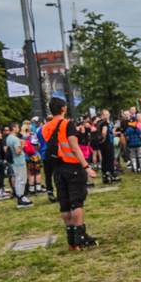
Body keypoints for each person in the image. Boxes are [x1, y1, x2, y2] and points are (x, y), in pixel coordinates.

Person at [41, 97, 99, 248]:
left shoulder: (45, 127)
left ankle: (71, 237)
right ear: (63, 108)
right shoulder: (67, 124)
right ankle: (80, 235)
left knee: (64, 202)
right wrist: (86, 166)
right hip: (72, 165)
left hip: (57, 167)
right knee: (76, 201)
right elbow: (74, 147)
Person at [6, 122, 32, 208]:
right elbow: (18, 151)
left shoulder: (8, 138)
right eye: (17, 127)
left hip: (13, 161)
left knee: (17, 179)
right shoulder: (15, 139)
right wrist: (23, 145)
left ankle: (19, 195)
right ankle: (21, 196)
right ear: (14, 128)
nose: (18, 128)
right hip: (19, 161)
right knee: (22, 179)